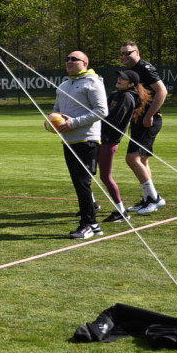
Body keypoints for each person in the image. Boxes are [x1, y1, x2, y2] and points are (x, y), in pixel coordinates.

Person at [52, 50, 108, 239]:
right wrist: (52, 122)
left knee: (83, 182)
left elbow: (102, 111)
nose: (69, 61)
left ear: (85, 63)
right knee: (79, 183)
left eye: (74, 59)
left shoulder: (93, 82)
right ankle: (92, 224)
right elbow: (56, 112)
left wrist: (73, 123)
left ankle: (89, 224)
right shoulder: (63, 85)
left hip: (87, 139)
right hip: (69, 141)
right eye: (67, 59)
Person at [119, 42, 168, 215]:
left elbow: (162, 91)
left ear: (137, 52)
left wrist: (150, 115)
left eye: (128, 53)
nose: (124, 57)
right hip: (138, 119)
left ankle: (154, 199)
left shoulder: (145, 67)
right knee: (143, 160)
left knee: (132, 159)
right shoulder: (131, 70)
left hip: (149, 120)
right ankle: (149, 197)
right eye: (122, 54)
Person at [98, 70, 151, 224]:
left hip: (108, 141)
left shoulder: (127, 97)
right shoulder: (115, 94)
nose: (119, 79)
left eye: (124, 78)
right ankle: (91, 205)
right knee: (85, 173)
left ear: (131, 84)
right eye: (119, 77)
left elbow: (112, 120)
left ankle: (121, 211)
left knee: (105, 177)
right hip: (98, 138)